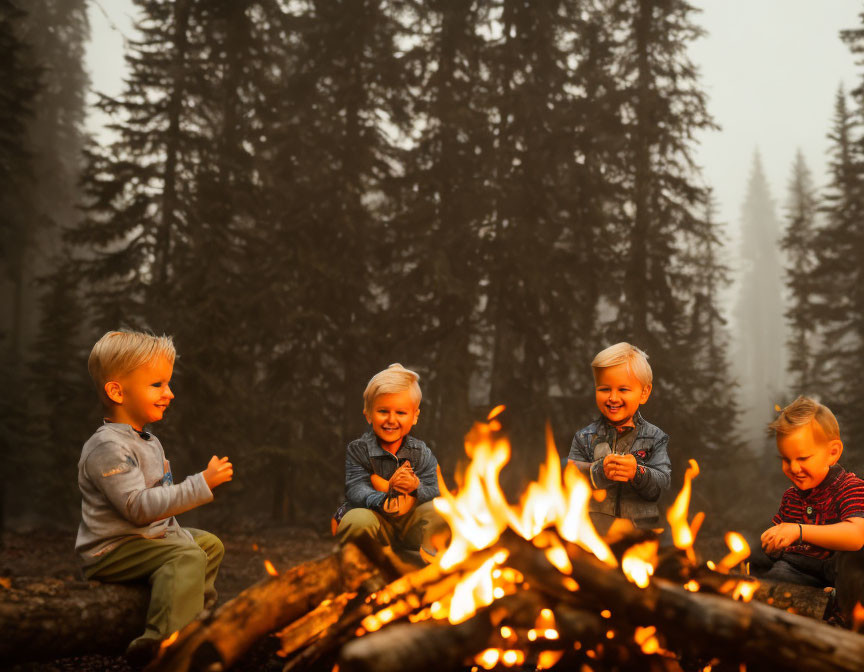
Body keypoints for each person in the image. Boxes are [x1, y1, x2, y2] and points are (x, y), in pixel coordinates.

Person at [76, 330, 233, 667]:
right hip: (112, 549)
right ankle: (165, 643)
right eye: (157, 385)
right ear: (117, 391)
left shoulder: (148, 440)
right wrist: (200, 484)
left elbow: (160, 504)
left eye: (168, 384)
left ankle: (196, 622)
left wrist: (178, 534)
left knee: (208, 546)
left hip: (145, 540)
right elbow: (137, 509)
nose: (170, 393)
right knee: (187, 556)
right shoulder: (108, 446)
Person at [752, 397, 864, 624]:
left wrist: (799, 531)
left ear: (832, 453)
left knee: (853, 566)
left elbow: (857, 536)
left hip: (841, 571)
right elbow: (783, 535)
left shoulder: (851, 487)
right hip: (800, 567)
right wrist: (773, 542)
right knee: (770, 581)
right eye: (786, 459)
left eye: (803, 458)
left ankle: (844, 618)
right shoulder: (791, 497)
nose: (793, 468)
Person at [334, 363, 447, 562]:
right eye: (383, 411)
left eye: (401, 413)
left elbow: (436, 490)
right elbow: (355, 488)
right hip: (376, 521)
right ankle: (361, 571)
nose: (391, 420)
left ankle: (431, 569)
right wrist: (384, 497)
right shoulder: (359, 449)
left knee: (441, 513)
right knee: (355, 519)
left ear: (414, 417)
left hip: (410, 524)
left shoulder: (421, 452)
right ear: (368, 414)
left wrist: (416, 487)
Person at [567, 342, 671, 534]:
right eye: (605, 389)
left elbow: (663, 484)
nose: (613, 398)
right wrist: (599, 471)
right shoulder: (585, 437)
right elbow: (567, 477)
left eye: (623, 390)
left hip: (642, 534)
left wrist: (638, 473)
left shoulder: (655, 437)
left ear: (644, 392)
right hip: (595, 535)